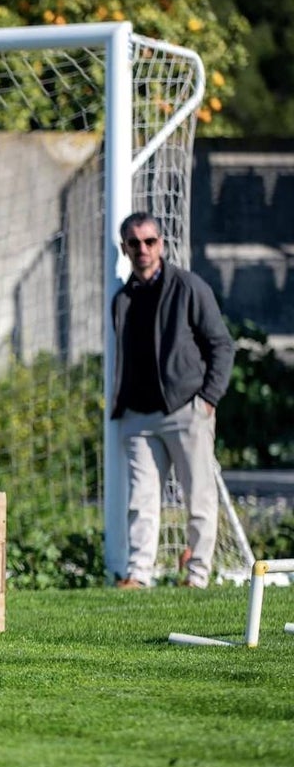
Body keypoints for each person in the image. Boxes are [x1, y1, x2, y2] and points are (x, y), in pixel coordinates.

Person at [110, 211, 235, 589]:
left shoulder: (189, 287)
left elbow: (221, 345)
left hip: (186, 409)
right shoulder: (122, 298)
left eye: (150, 241)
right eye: (134, 243)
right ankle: (139, 575)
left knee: (198, 497)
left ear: (161, 244)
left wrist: (208, 399)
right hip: (137, 416)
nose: (143, 249)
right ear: (125, 248)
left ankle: (197, 575)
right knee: (141, 502)